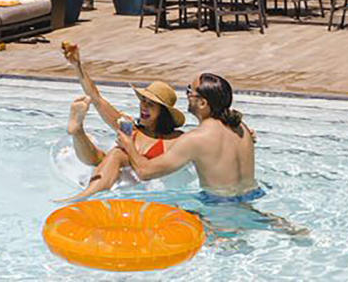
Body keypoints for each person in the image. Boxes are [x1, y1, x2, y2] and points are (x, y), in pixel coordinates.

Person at [60, 42, 186, 201]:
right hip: (113, 177)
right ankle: (78, 131)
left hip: (137, 183)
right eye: (143, 101)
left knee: (117, 154)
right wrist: (78, 65)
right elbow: (97, 98)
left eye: (151, 104)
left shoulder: (174, 139)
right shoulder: (130, 126)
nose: (144, 107)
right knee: (103, 157)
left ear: (164, 113)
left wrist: (128, 145)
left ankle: (85, 191)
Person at [116, 72, 260, 202]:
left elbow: (145, 172)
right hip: (253, 197)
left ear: (203, 103)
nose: (186, 96)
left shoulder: (196, 139)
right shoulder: (241, 126)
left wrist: (128, 144)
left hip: (219, 206)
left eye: (189, 91)